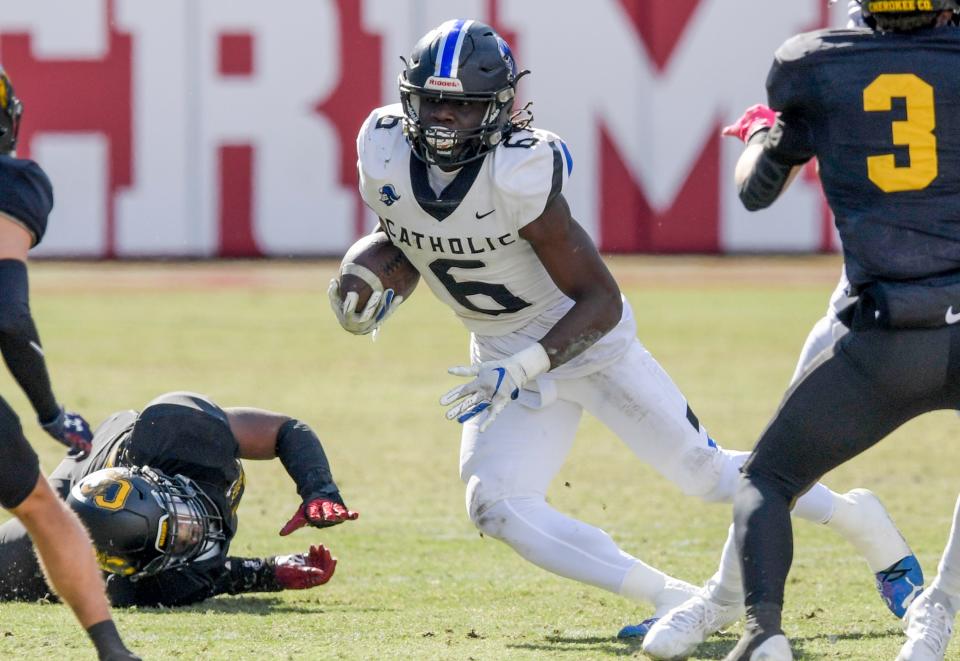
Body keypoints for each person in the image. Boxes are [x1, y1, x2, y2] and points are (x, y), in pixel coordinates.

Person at [327, 19, 921, 637]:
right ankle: (676, 598)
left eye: (464, 105)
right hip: (500, 353)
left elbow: (600, 300)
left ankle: (861, 521)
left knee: (707, 475)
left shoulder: (518, 170)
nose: (445, 119)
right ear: (408, 97)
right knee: (496, 505)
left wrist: (526, 363)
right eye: (433, 101)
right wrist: (377, 271)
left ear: (500, 110)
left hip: (585, 344)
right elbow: (417, 236)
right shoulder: (384, 148)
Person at [695, 1, 960, 659]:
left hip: (885, 336)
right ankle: (939, 612)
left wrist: (762, 132)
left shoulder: (812, 66)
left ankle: (764, 635)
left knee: (769, 478)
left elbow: (757, 192)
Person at [0, 66, 138, 660]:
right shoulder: (14, 182)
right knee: (42, 509)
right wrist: (50, 412)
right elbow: (7, 315)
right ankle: (112, 650)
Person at [0, 391, 357, 607]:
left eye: (181, 523)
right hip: (68, 503)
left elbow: (285, 430)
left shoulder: (177, 434)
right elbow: (206, 577)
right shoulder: (144, 584)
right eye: (179, 543)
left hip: (106, 451)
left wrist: (318, 490)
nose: (194, 535)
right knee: (13, 569)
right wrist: (269, 572)